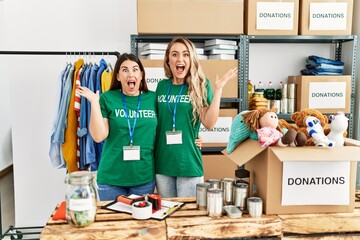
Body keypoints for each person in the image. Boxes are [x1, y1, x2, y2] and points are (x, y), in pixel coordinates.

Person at [155, 37, 238, 197]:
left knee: (187, 217)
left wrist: (218, 90)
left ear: (191, 59)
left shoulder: (201, 84)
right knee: (167, 215)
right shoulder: (161, 86)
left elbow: (209, 123)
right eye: (175, 54)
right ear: (168, 59)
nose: (180, 59)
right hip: (163, 163)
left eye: (185, 54)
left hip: (189, 162)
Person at [77, 53, 157, 200]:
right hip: (111, 179)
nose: (130, 74)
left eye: (135, 69)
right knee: (112, 222)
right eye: (125, 70)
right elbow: (98, 135)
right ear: (118, 76)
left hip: (143, 177)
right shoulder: (107, 98)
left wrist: (195, 136)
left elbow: (167, 126)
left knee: (141, 222)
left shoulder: (153, 99)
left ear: (141, 75)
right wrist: (94, 103)